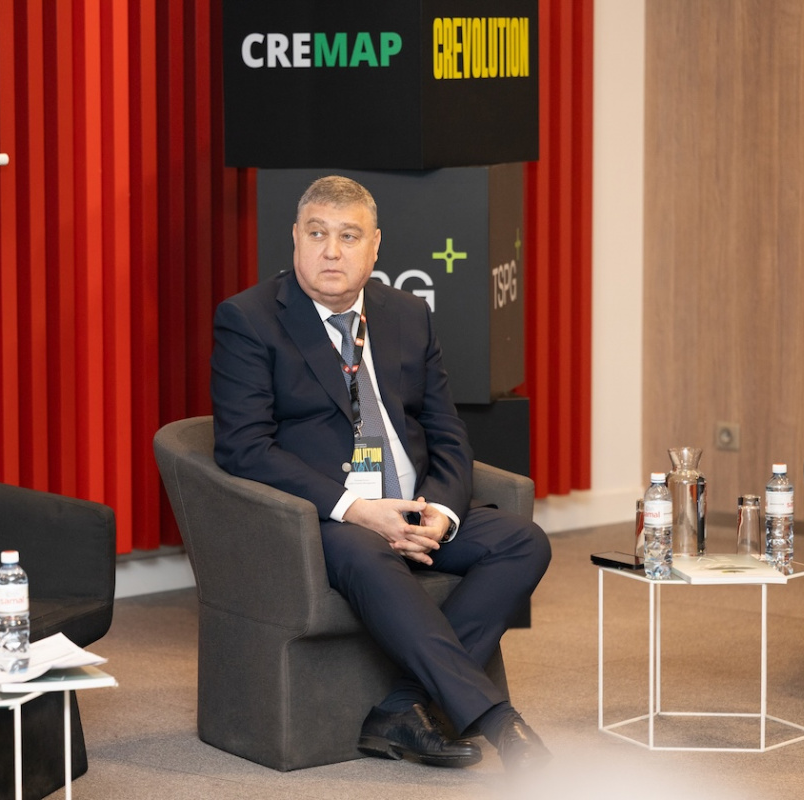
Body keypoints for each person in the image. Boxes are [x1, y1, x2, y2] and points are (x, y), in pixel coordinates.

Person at [209, 175, 553, 772]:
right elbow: (244, 448)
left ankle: (401, 706)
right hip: (327, 518)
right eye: (317, 234)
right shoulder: (250, 319)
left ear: (375, 246)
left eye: (348, 236)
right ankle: (498, 720)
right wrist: (359, 510)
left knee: (523, 541)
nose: (331, 251)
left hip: (413, 505)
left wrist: (439, 513)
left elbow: (447, 432)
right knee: (369, 554)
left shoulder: (407, 314)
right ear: (295, 239)